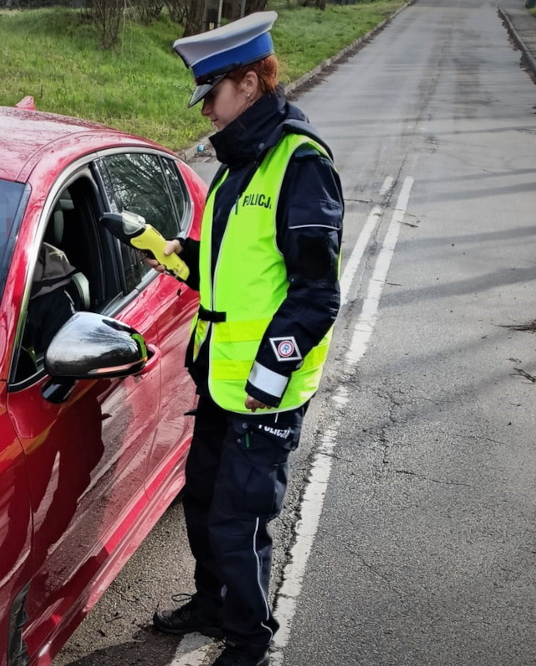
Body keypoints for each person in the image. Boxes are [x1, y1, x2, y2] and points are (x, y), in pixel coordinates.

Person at [148, 11, 344, 666]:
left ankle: (250, 640)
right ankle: (212, 606)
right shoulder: (237, 165)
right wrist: (175, 254)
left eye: (212, 95)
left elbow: (317, 295)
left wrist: (267, 379)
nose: (206, 111)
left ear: (250, 84)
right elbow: (235, 270)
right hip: (221, 381)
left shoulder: (300, 164)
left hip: (264, 390)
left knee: (239, 522)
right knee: (203, 506)